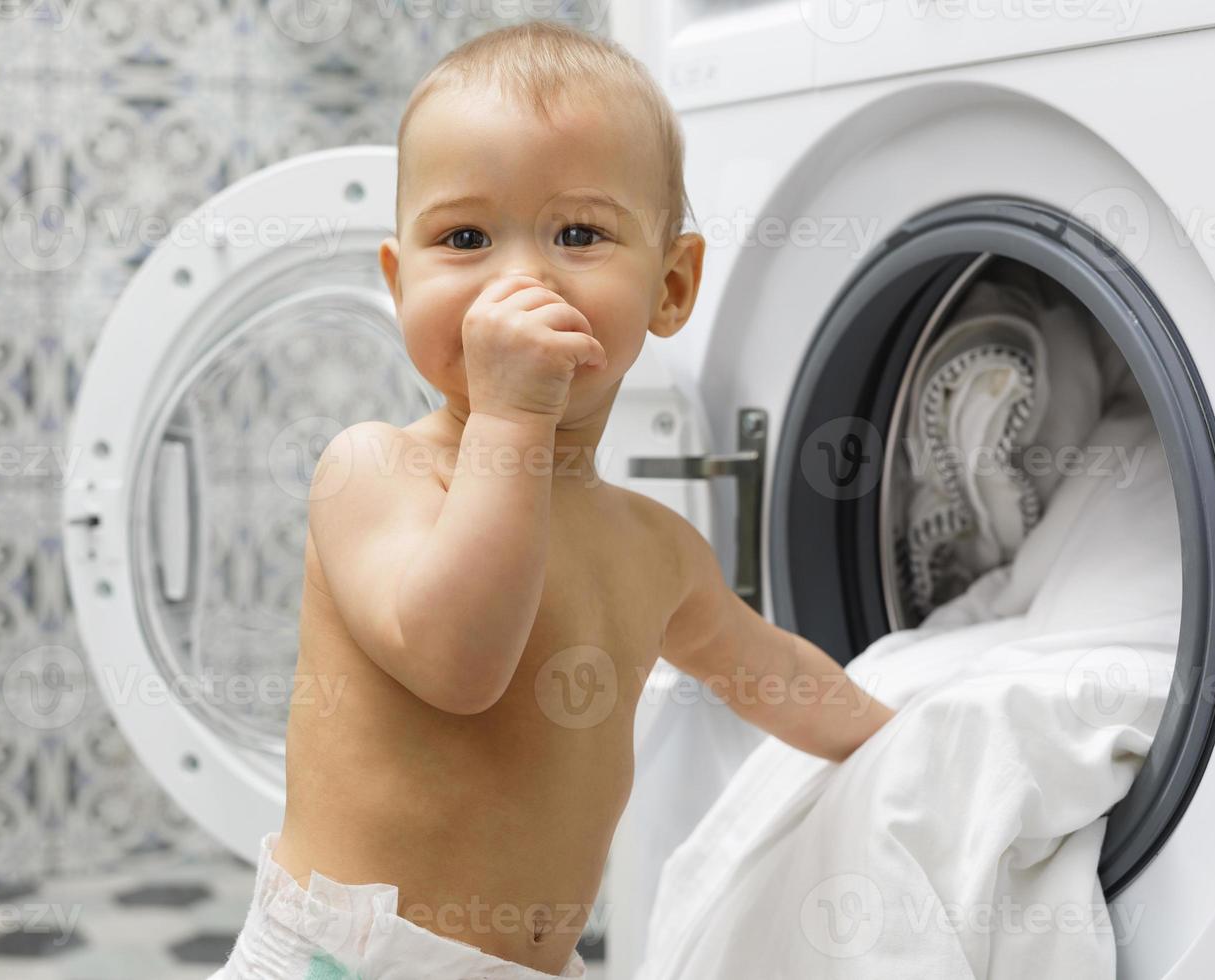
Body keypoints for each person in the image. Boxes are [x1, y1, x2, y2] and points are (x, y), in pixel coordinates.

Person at [212, 19, 895, 979]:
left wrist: (914, 739)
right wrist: (510, 419)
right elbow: (458, 663)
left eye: (578, 233)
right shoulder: (373, 473)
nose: (519, 278)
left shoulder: (655, 550)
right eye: (465, 238)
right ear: (398, 283)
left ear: (668, 286)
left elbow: (773, 674)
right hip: (350, 961)